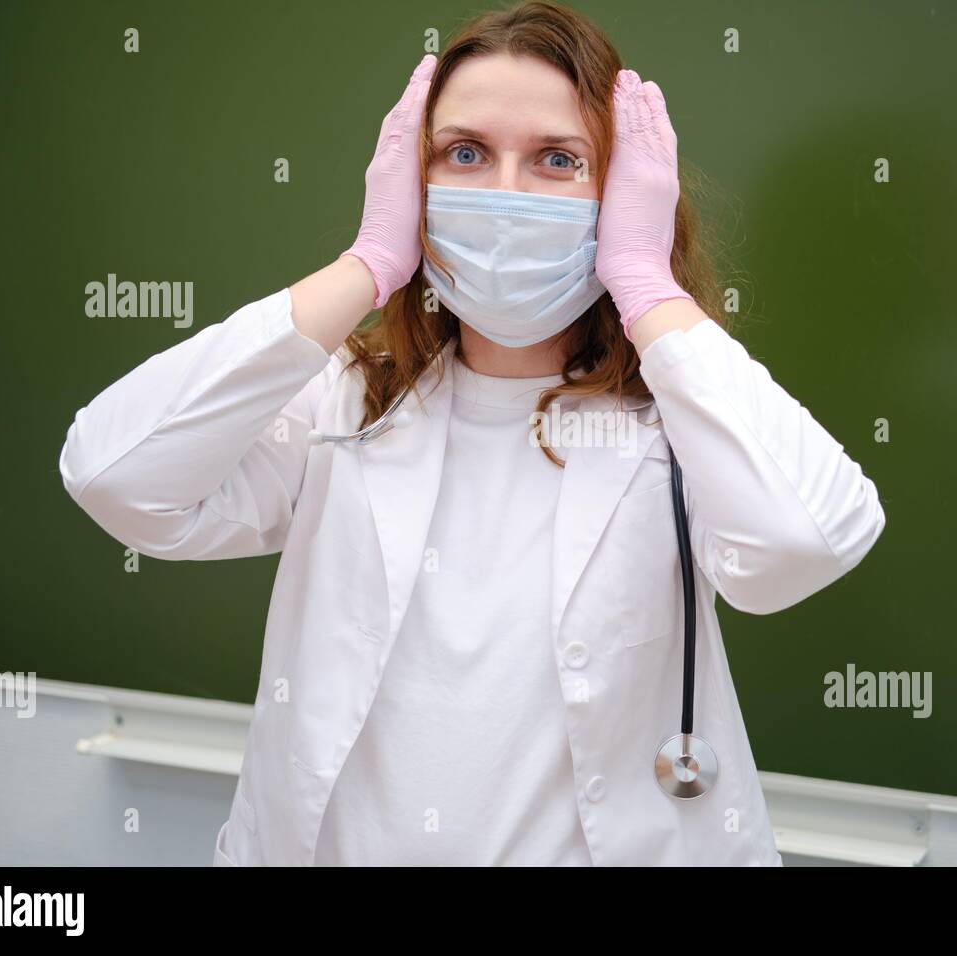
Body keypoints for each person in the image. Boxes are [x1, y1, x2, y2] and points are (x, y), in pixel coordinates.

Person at [59, 1, 886, 867]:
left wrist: (645, 284)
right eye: (465, 154)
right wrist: (368, 263)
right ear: (411, 185)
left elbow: (809, 540)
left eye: (558, 161)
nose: (505, 195)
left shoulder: (682, 422)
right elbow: (116, 475)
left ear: (621, 197)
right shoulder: (344, 405)